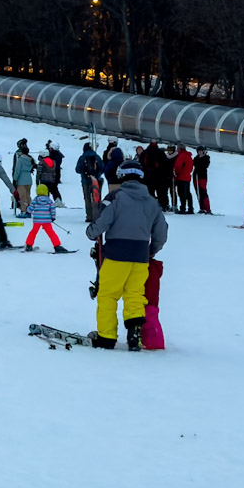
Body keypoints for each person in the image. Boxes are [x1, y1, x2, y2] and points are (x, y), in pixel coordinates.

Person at [84, 161, 168, 351]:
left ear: (121, 176)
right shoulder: (152, 202)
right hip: (140, 257)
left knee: (108, 295)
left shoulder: (115, 198)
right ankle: (134, 335)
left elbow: (101, 222)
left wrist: (91, 232)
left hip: (115, 255)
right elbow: (161, 231)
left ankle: (106, 337)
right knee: (135, 295)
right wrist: (151, 250)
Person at [23, 184, 69, 253]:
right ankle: (57, 246)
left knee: (33, 232)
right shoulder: (49, 201)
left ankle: (29, 245)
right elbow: (52, 209)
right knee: (51, 233)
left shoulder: (35, 200)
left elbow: (30, 209)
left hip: (37, 220)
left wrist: (27, 210)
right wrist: (53, 217)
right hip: (47, 220)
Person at [75, 142, 103, 222]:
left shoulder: (82, 157)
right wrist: (97, 175)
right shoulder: (97, 157)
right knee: (96, 197)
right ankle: (97, 215)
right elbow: (102, 168)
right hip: (95, 180)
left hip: (85, 181)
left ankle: (89, 216)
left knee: (87, 198)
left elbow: (77, 169)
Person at [143, 141, 170, 210]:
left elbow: (142, 164)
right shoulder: (161, 153)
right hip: (160, 176)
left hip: (148, 176)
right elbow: (166, 165)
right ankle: (163, 205)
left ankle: (150, 205)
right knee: (161, 192)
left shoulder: (145, 153)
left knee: (150, 191)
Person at [11, 140, 35, 215]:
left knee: (22, 196)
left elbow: (17, 170)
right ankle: (29, 210)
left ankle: (23, 211)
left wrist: (15, 179)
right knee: (28, 195)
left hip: (21, 180)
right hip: (29, 179)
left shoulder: (21, 159)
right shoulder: (31, 159)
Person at [171, 145, 194, 214]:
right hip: (187, 177)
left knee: (181, 193)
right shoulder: (188, 156)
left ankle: (182, 208)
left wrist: (176, 173)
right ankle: (190, 208)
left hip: (181, 177)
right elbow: (191, 167)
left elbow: (177, 166)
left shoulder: (181, 156)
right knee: (187, 193)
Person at [193, 147, 212, 213]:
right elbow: (195, 165)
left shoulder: (206, 158)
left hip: (202, 176)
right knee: (198, 192)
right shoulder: (196, 158)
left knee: (203, 191)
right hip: (196, 176)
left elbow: (204, 166)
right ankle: (201, 207)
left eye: (201, 151)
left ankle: (207, 208)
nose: (199, 152)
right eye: (198, 151)